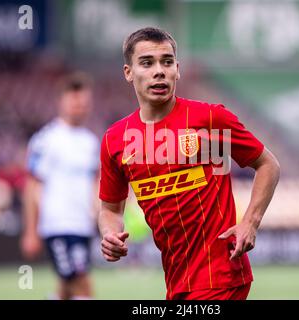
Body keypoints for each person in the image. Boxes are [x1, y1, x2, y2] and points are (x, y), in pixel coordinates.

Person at [98, 27, 280, 300]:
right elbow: (110, 209)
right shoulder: (115, 140)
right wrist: (110, 234)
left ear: (177, 70)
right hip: (177, 282)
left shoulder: (211, 119)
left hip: (220, 276)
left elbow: (268, 164)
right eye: (147, 63)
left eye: (167, 62)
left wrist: (250, 222)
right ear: (128, 72)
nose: (159, 71)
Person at [21, 73, 100, 300]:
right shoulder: (46, 140)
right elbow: (31, 186)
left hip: (82, 225)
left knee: (66, 287)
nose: (79, 107)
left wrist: (99, 217)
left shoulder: (90, 142)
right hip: (57, 224)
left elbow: (95, 184)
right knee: (81, 284)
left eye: (84, 103)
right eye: (74, 101)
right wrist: (30, 230)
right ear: (61, 101)